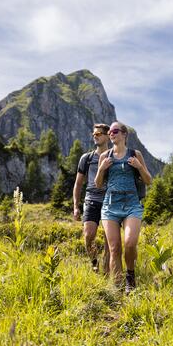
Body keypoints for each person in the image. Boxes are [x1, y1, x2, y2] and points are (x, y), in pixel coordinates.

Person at [95, 121, 152, 293]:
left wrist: (139, 166)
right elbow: (98, 185)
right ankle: (118, 287)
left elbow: (148, 180)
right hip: (110, 205)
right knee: (114, 248)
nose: (111, 133)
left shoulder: (135, 154)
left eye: (115, 131)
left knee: (129, 243)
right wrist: (101, 169)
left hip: (131, 203)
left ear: (124, 134)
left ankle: (130, 276)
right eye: (110, 132)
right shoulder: (104, 156)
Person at [73, 124, 110, 274]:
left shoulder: (114, 156)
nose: (95, 136)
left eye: (99, 134)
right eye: (94, 134)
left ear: (108, 136)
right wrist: (76, 206)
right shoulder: (86, 158)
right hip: (91, 200)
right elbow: (78, 183)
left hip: (109, 201)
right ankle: (95, 264)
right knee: (88, 236)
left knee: (110, 241)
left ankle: (108, 270)